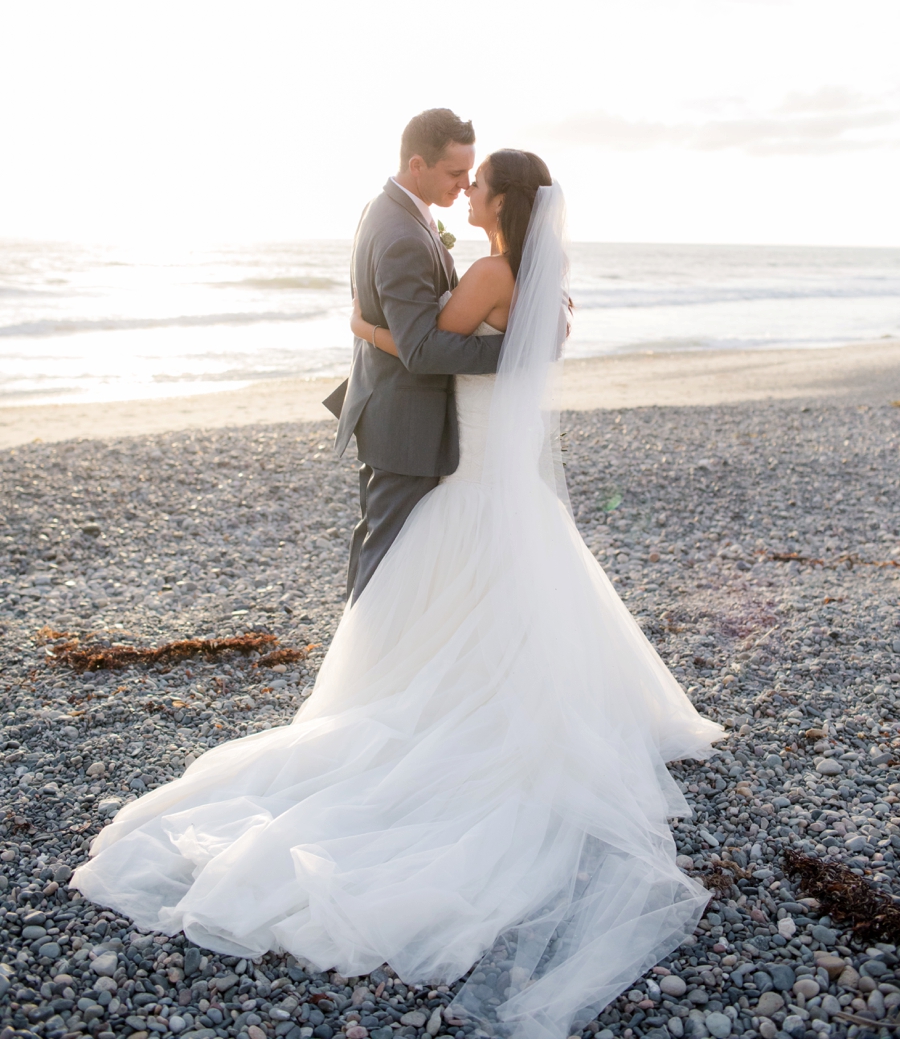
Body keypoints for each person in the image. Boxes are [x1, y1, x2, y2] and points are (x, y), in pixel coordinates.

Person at [71, 147, 724, 1039]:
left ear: (501, 198)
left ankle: (460, 719)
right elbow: (483, 351)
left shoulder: (494, 267)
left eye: (479, 181)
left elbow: (425, 347)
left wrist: (364, 326)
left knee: (441, 620)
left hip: (469, 490)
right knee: (524, 612)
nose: (469, 189)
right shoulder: (537, 276)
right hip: (508, 482)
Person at [323, 108, 503, 604]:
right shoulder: (403, 235)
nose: (465, 185)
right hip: (404, 420)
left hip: (386, 407)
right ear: (417, 164)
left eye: (470, 174)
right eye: (454, 173)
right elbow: (421, 349)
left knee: (380, 541)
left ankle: (363, 660)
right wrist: (513, 350)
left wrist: (366, 328)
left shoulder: (387, 210)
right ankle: (364, 669)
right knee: (388, 554)